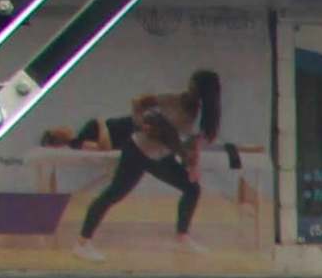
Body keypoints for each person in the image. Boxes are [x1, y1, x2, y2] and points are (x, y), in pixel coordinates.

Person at [69, 71, 230, 253]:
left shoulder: (203, 113)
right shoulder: (174, 98)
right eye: (191, 86)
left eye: (195, 88)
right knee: (114, 194)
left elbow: (193, 142)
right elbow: (138, 102)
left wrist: (193, 165)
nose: (190, 90)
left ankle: (182, 237)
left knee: (192, 188)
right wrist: (140, 124)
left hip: (160, 156)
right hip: (138, 151)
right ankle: (82, 243)